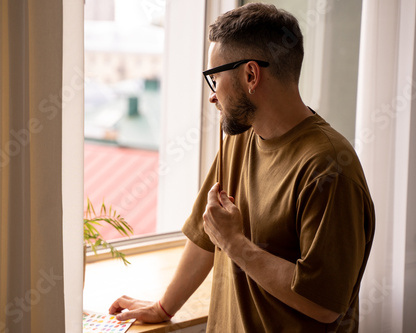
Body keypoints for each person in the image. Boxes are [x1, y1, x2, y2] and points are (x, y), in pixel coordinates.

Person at [109, 3, 375, 332]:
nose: (212, 96)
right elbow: (207, 233)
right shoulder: (240, 138)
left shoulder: (329, 168)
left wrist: (236, 244)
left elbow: (324, 305)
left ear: (250, 75)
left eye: (214, 79)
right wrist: (164, 307)